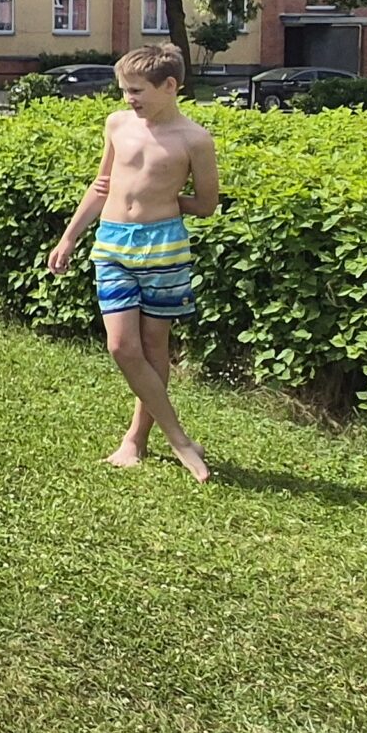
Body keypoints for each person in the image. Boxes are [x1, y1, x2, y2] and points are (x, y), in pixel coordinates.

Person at [44, 42, 220, 483]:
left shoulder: (194, 139)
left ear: (170, 86)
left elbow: (206, 204)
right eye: (125, 90)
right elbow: (101, 185)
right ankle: (180, 440)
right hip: (112, 243)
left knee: (154, 346)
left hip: (164, 247)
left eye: (137, 90)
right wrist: (69, 237)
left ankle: (136, 439)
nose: (129, 98)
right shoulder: (118, 124)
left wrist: (164, 200)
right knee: (122, 346)